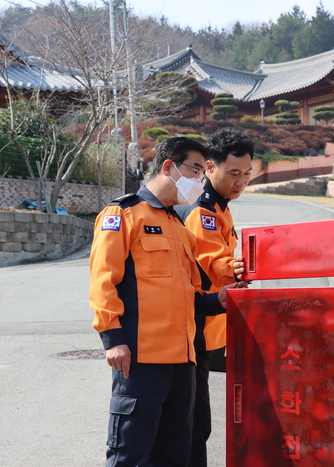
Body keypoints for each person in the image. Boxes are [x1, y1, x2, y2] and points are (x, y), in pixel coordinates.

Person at [89, 137, 245, 467]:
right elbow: (103, 281)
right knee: (131, 454)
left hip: (183, 362)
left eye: (203, 174)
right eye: (195, 170)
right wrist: (113, 340)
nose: (199, 181)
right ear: (167, 167)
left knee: (175, 453)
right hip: (141, 359)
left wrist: (218, 300)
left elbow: (188, 295)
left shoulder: (178, 228)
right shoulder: (123, 214)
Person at [177, 127, 254, 467]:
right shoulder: (204, 210)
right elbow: (216, 263)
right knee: (193, 424)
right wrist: (255, 264)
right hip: (195, 328)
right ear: (210, 168)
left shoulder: (222, 208)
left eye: (247, 174)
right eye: (233, 173)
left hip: (209, 329)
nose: (241, 181)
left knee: (196, 422)